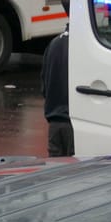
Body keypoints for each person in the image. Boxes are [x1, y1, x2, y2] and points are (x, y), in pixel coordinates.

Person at [42, 29, 73, 157]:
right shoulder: (82, 45)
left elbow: (44, 85)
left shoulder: (54, 43)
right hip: (74, 122)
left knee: (56, 171)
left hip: (54, 121)